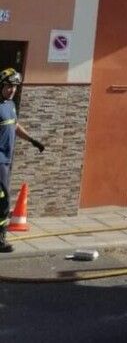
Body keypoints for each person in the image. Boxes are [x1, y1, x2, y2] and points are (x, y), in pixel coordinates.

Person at [0, 68, 44, 252]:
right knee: (3, 201)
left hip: (7, 160)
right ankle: (0, 240)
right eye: (9, 86)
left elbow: (15, 125)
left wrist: (32, 140)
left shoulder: (10, 105)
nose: (12, 90)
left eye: (15, 87)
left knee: (3, 200)